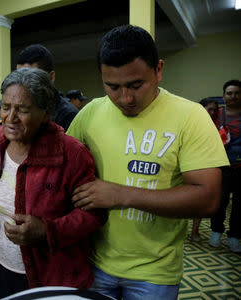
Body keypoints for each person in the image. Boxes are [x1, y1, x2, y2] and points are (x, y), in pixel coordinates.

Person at [67, 25, 228, 299]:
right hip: (91, 261)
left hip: (154, 274)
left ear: (159, 70)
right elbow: (60, 165)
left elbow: (208, 198)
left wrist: (119, 194)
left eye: (135, 85)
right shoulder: (91, 112)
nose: (125, 98)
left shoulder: (190, 116)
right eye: (112, 86)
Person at [0, 67, 107, 299]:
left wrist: (47, 231)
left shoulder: (72, 154)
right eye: (6, 108)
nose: (10, 118)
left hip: (53, 273)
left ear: (46, 112)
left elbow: (94, 215)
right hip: (5, 267)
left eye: (23, 110)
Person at [209, 79, 241, 253]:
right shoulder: (216, 115)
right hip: (221, 165)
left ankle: (235, 236)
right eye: (229, 93)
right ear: (224, 96)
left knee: (239, 203)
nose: (233, 96)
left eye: (236, 93)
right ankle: (216, 231)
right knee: (220, 200)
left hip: (240, 167)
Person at [16, 44, 78, 131]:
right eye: (18, 77)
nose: (22, 83)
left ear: (51, 77)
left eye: (31, 78)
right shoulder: (14, 111)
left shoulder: (68, 115)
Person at [191, 97, 220, 242]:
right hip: (188, 166)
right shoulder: (193, 124)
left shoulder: (218, 126)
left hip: (206, 167)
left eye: (215, 110)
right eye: (210, 109)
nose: (213, 112)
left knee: (199, 201)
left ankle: (194, 231)